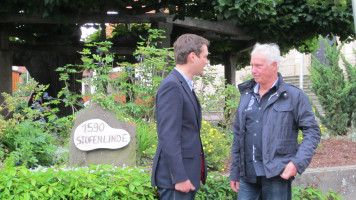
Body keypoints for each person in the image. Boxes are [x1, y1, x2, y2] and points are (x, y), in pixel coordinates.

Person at [229, 43, 321, 199]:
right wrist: (235, 171)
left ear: (274, 66)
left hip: (277, 174)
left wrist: (297, 163)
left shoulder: (293, 96)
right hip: (248, 176)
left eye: (258, 66)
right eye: (252, 65)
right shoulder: (246, 95)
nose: (253, 70)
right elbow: (238, 135)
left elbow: (312, 131)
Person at [151, 34, 210, 200]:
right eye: (205, 57)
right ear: (192, 56)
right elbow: (168, 136)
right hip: (176, 180)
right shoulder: (172, 86)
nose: (207, 61)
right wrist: (179, 177)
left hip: (185, 175)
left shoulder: (182, 84)